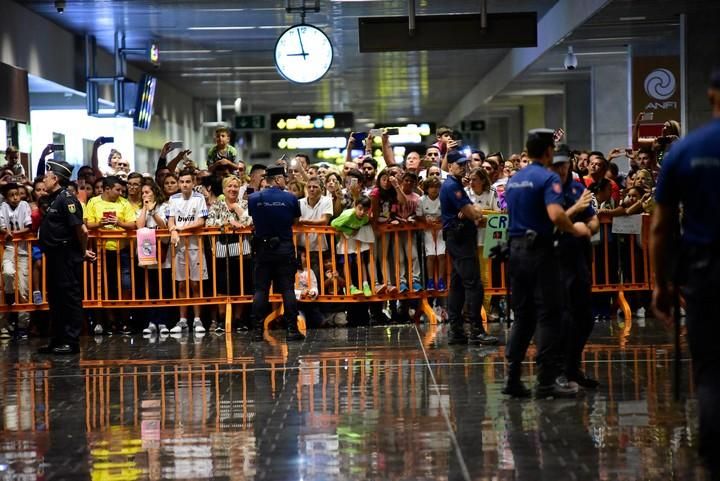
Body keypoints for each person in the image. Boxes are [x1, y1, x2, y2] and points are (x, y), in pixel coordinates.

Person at [651, 69, 720, 480]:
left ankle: (712, 456)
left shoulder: (685, 151)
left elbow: (661, 228)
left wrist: (661, 283)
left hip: (706, 271)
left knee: (711, 366)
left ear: (711, 95)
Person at [503, 129, 591, 398]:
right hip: (540, 252)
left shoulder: (514, 180)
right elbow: (555, 215)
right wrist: (576, 229)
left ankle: (514, 377)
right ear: (548, 151)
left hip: (515, 252)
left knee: (523, 316)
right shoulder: (548, 177)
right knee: (549, 315)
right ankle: (545, 381)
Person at [549, 146, 600, 389]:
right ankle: (559, 368)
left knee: (585, 316)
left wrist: (591, 225)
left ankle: (573, 364)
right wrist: (576, 210)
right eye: (556, 165)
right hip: (556, 257)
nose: (560, 169)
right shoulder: (548, 189)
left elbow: (592, 216)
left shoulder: (578, 187)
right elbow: (551, 224)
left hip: (578, 254)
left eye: (564, 164)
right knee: (564, 315)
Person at [439, 150, 498, 346]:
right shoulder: (452, 187)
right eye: (459, 164)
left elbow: (471, 212)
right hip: (460, 237)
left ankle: (456, 331)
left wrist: (474, 212)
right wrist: (476, 212)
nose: (463, 167)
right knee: (473, 283)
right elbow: (472, 213)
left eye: (465, 164)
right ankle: (476, 330)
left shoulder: (455, 185)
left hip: (459, 237)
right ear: (450, 166)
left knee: (457, 285)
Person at [37, 160, 95, 355]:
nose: (44, 179)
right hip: (54, 256)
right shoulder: (54, 198)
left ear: (55, 178)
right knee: (56, 298)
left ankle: (71, 341)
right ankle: (58, 339)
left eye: (47, 176)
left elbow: (82, 230)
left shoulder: (67, 199)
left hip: (66, 255)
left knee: (69, 298)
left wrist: (82, 250)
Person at [247, 164, 304, 342]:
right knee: (287, 289)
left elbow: (253, 218)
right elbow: (295, 220)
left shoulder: (254, 198)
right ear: (278, 179)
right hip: (284, 248)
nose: (286, 181)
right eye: (284, 178)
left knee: (261, 290)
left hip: (262, 249)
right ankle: (292, 330)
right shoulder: (291, 198)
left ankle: (257, 331)